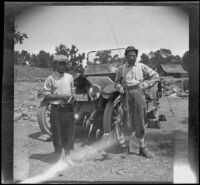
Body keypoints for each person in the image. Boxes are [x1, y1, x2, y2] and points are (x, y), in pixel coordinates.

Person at [114, 46, 159, 158]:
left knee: (141, 119)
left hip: (139, 93)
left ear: (136, 56)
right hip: (126, 95)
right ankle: (126, 148)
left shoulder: (141, 66)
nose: (132, 57)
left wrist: (146, 84)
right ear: (126, 57)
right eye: (130, 56)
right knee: (126, 119)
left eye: (134, 55)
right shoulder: (121, 69)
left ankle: (142, 149)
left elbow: (155, 76)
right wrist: (119, 87)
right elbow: (115, 83)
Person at [43, 54, 75, 158]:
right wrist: (62, 96)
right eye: (60, 64)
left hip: (68, 109)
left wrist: (72, 98)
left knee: (68, 132)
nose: (63, 66)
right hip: (56, 109)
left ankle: (68, 156)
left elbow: (73, 92)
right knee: (57, 133)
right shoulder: (50, 78)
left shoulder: (70, 77)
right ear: (55, 65)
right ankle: (58, 157)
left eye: (64, 64)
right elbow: (47, 96)